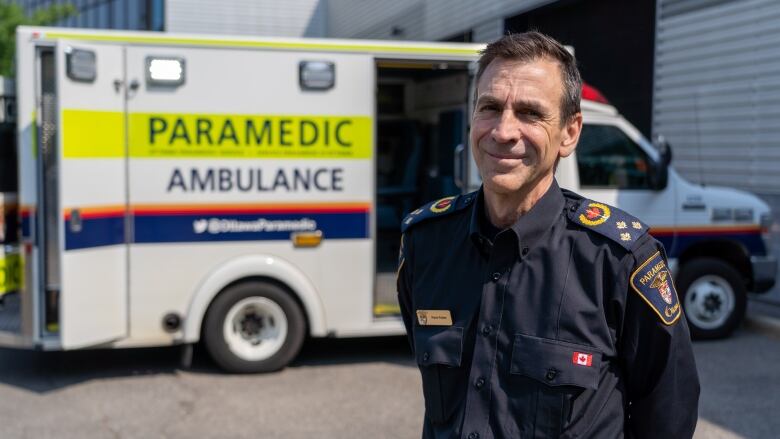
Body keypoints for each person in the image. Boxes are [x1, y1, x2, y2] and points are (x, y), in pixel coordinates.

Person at [397, 32, 700, 439]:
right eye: (489, 107)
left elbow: (668, 414)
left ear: (570, 132)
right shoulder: (426, 242)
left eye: (529, 113)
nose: (503, 131)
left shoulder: (620, 260)